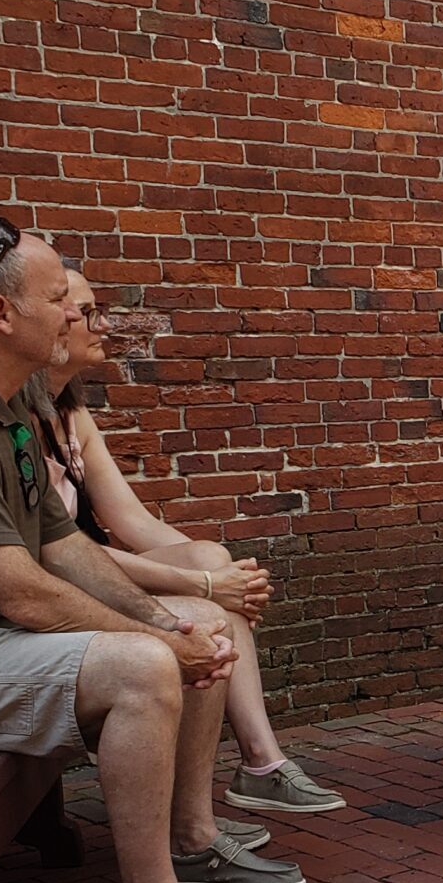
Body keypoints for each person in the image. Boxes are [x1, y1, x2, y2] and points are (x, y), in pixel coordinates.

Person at [0, 220, 301, 883]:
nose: (77, 315)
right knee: (146, 666)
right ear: (2, 315)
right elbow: (21, 591)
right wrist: (156, 643)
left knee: (197, 624)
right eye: (60, 299)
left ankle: (195, 838)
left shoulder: (11, 405)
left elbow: (66, 546)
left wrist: (167, 618)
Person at [27, 270, 344, 814]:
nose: (102, 323)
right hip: (69, 576)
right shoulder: (16, 423)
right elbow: (57, 551)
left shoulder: (72, 415)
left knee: (215, 568)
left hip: (104, 561)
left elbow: (131, 520)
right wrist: (205, 583)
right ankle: (256, 767)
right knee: (209, 595)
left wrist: (224, 574)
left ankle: (261, 763)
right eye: (85, 310)